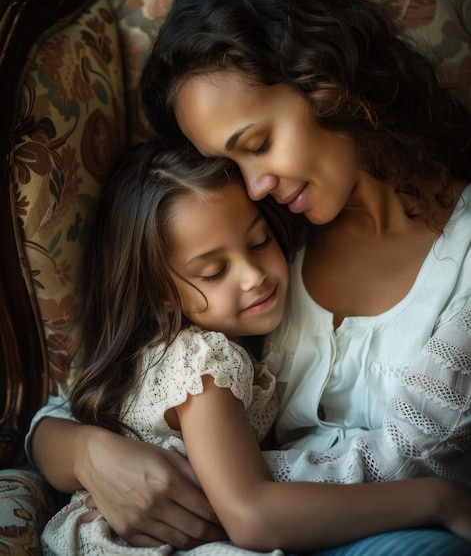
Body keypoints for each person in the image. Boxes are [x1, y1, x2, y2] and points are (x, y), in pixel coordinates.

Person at [28, 0, 471, 555]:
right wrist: (87, 452)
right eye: (231, 166)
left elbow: (416, 468)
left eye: (258, 144)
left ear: (328, 79)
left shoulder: (459, 256)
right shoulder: (261, 232)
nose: (254, 186)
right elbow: (91, 393)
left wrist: (240, 496)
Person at [40, 141, 471, 556]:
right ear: (161, 296)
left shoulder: (186, 349)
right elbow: (252, 515)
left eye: (259, 242)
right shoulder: (203, 360)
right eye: (214, 271)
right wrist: (440, 499)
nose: (252, 276)